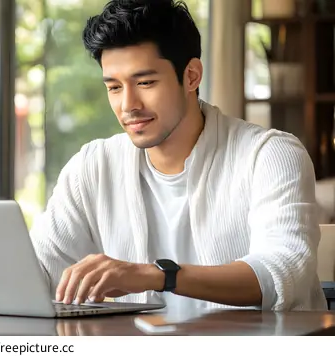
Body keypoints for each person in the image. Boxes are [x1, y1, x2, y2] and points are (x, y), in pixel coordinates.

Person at [28, 0, 327, 312]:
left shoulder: (269, 155)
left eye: (145, 82)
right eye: (114, 87)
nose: (128, 105)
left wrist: (155, 275)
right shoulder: (92, 167)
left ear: (192, 76)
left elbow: (281, 273)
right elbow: (38, 270)